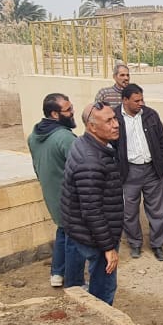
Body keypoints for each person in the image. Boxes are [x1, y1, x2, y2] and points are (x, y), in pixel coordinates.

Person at [59, 102, 124, 305]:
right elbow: (92, 211)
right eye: (108, 121)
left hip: (79, 229)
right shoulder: (91, 161)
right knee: (104, 289)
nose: (116, 124)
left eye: (115, 118)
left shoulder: (84, 143)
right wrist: (108, 247)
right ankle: (101, 318)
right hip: (94, 236)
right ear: (92, 127)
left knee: (76, 285)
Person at [27, 92, 84, 288]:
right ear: (54, 114)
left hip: (52, 196)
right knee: (76, 238)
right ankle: (75, 283)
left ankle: (57, 273)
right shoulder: (65, 138)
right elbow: (81, 169)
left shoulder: (33, 136)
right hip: (69, 198)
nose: (72, 112)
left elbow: (37, 167)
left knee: (62, 230)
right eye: (68, 110)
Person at [114, 83, 163, 261]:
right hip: (128, 172)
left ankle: (157, 244)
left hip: (153, 170)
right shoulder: (115, 118)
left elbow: (162, 140)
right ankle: (135, 243)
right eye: (136, 100)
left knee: (158, 210)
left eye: (142, 99)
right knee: (128, 211)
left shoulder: (150, 115)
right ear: (125, 100)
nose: (141, 103)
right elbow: (109, 146)